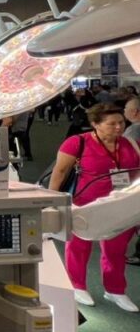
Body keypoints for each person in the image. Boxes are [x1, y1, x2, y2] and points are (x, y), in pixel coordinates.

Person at [50, 103, 140, 311]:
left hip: (119, 205)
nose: (118, 127)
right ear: (95, 124)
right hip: (84, 205)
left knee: (116, 249)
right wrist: (52, 201)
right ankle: (77, 285)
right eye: (111, 124)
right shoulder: (77, 142)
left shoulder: (131, 144)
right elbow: (60, 172)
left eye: (121, 122)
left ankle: (115, 290)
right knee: (79, 246)